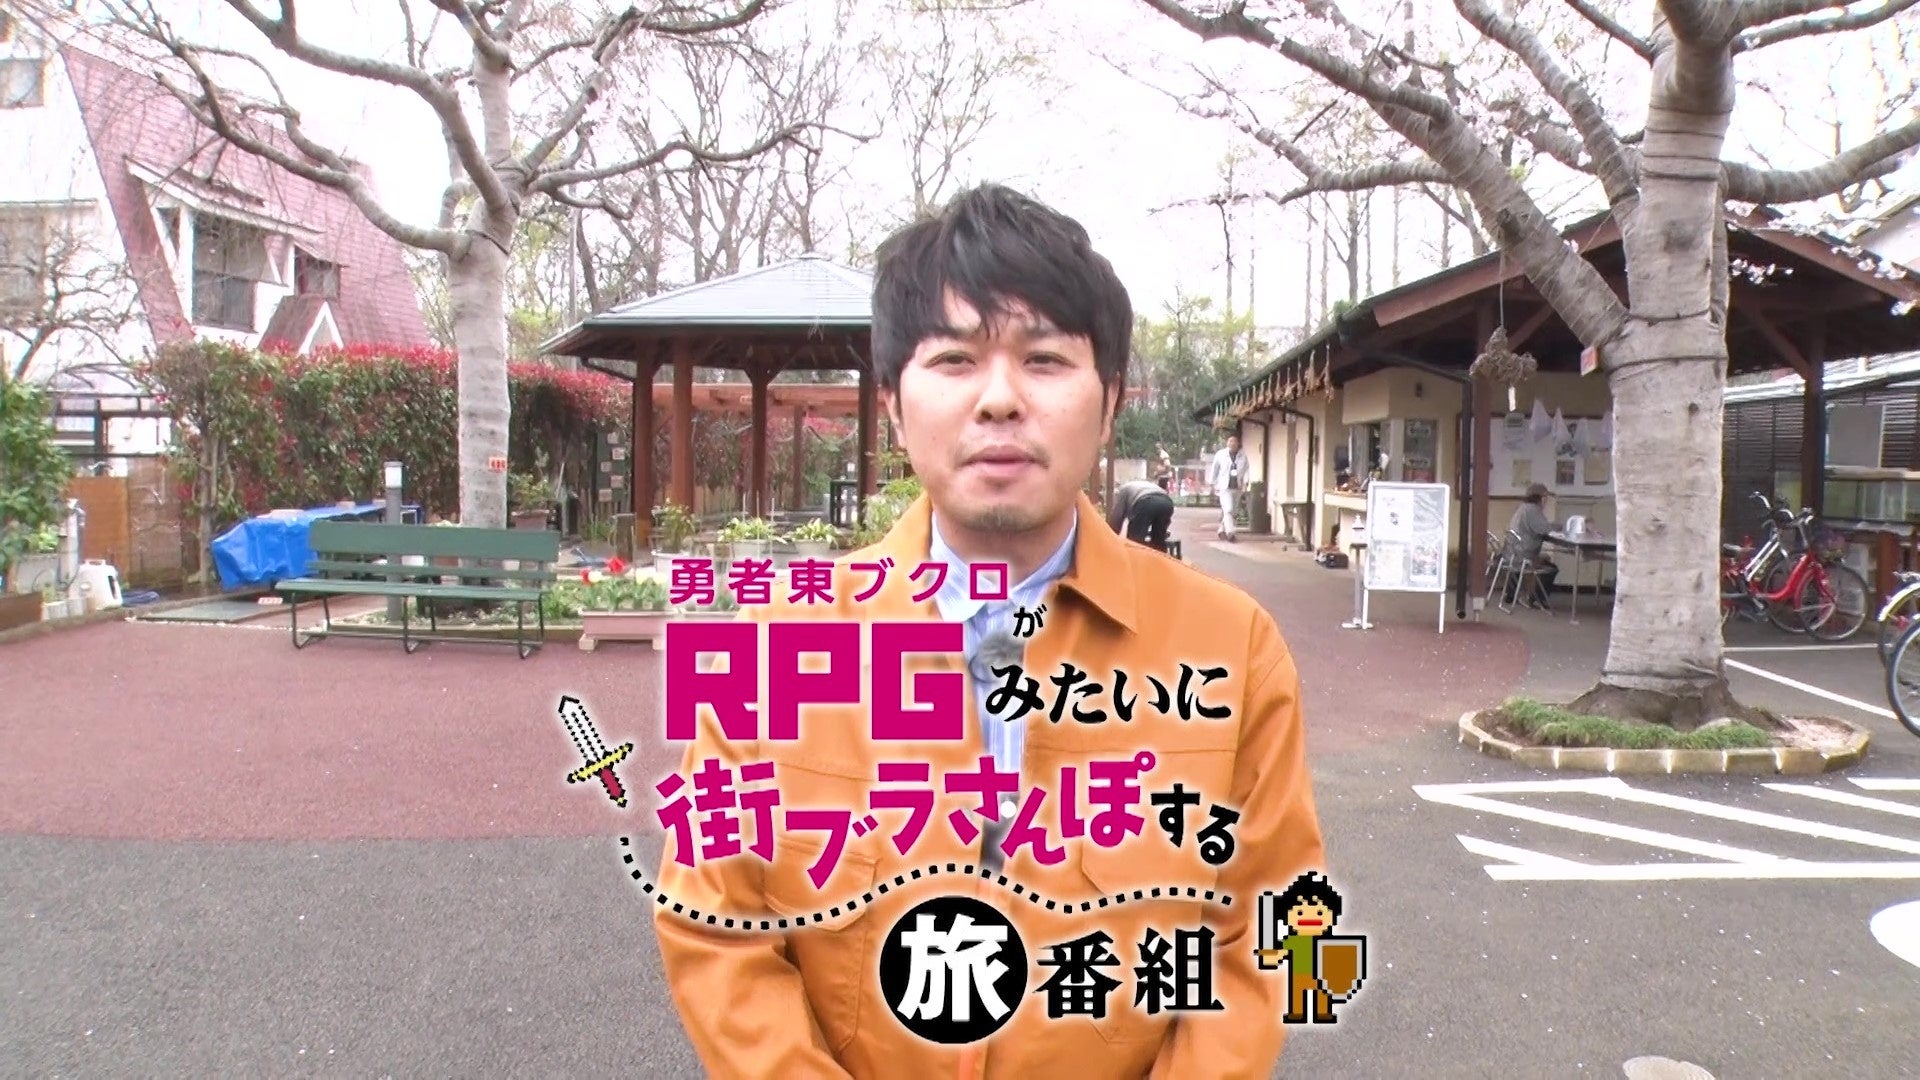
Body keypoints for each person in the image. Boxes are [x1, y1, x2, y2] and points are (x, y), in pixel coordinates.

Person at [654, 184, 1326, 1079]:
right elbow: (715, 926)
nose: (1001, 399)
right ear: (895, 405)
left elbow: (1271, 931)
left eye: (1045, 359)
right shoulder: (780, 645)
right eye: (954, 359)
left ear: (1109, 401)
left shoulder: (1230, 649)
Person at [1505, 482, 1562, 609]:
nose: (1546, 501)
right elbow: (1543, 529)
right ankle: (1537, 599)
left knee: (1540, 559)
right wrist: (1560, 526)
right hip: (1524, 554)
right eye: (1546, 497)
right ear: (1540, 498)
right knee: (1551, 568)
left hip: (1512, 553)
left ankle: (1511, 594)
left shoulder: (1522, 508)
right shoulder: (1533, 510)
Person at [1106, 476, 1175, 552]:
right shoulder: (1141, 485)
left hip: (1145, 501)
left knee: (1135, 540)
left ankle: (1135, 558)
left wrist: (1111, 536)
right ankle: (1160, 558)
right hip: (1166, 502)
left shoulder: (1122, 490)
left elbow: (1117, 517)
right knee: (1158, 540)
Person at [1207, 434, 1249, 541]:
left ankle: (1221, 529)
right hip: (1225, 487)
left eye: (1235, 441)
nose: (1232, 443)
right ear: (1227, 443)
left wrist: (1246, 482)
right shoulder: (1220, 454)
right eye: (1230, 441)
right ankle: (1230, 532)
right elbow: (1215, 469)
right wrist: (1212, 483)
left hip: (1237, 487)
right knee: (1228, 509)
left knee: (1232, 512)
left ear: (1238, 443)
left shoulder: (1243, 456)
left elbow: (1246, 470)